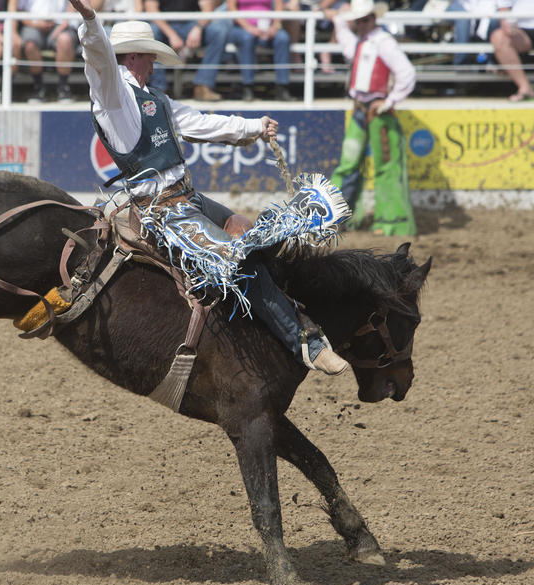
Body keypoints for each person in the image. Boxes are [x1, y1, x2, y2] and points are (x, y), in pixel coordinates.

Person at [63, 0, 351, 374]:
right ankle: (305, 341)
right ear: (133, 56)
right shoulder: (112, 96)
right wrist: (89, 21)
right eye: (149, 57)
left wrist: (252, 127)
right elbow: (99, 59)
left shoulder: (156, 100)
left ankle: (260, 323)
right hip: (162, 212)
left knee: (244, 228)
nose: (153, 64)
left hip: (187, 200)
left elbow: (203, 123)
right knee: (238, 259)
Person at [329, 0, 416, 236]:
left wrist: (388, 102)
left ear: (373, 19)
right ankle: (340, 217)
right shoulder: (364, 41)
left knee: (380, 166)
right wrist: (340, 16)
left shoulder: (383, 42)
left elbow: (407, 73)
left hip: (375, 110)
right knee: (352, 165)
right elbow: (342, 30)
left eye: (365, 20)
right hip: (363, 108)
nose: (361, 25)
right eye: (358, 21)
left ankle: (389, 221)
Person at [225, 0, 294, 101]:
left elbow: (279, 7)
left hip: (267, 28)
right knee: (247, 38)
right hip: (242, 28)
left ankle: (282, 87)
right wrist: (249, 27)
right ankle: (247, 87)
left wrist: (274, 27)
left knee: (283, 38)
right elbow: (231, 8)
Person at [19, 0, 78, 102]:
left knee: (65, 40)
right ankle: (39, 88)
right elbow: (19, 9)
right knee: (30, 45)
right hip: (33, 24)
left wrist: (63, 24)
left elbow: (74, 4)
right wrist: (36, 24)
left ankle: (63, 89)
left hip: (61, 24)